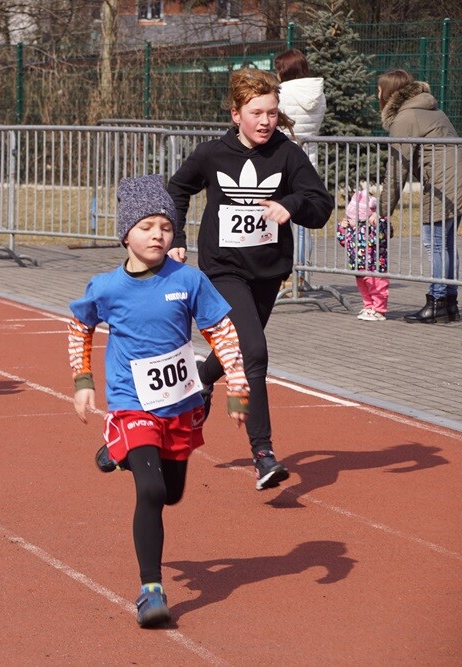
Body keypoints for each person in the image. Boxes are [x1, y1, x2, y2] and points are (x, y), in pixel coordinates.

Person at [68, 174, 250, 628]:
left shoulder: (188, 279)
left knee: (171, 493)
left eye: (166, 227)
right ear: (125, 234)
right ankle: (150, 589)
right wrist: (83, 379)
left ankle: (118, 452)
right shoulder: (106, 287)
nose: (158, 235)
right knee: (149, 491)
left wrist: (237, 386)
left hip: (180, 402)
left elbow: (222, 332)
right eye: (147, 227)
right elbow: (80, 326)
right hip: (131, 401)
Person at [167, 68, 334, 491]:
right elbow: (177, 190)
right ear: (235, 114)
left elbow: (320, 205)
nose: (265, 122)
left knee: (239, 346)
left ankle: (201, 379)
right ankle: (263, 454)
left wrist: (291, 204)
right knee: (254, 352)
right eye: (256, 113)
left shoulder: (287, 155)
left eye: (272, 113)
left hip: (268, 271)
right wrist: (176, 239)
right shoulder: (211, 154)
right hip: (224, 269)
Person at [375, 68, 460, 323]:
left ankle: (437, 301)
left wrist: (382, 212)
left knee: (435, 243)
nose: (377, 95)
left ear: (388, 92)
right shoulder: (431, 108)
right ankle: (449, 302)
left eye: (379, 90)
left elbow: (396, 170)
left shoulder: (406, 117)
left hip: (442, 184)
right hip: (454, 181)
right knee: (446, 243)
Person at [275, 49, 326, 291]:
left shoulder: (281, 93)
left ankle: (285, 274)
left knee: (282, 216)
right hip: (309, 158)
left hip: (283, 158)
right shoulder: (318, 93)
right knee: (302, 222)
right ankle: (301, 274)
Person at [337, 189, 390, 321]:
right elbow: (344, 241)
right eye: (349, 217)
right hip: (358, 265)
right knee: (364, 289)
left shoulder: (373, 226)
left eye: (352, 218)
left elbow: (380, 238)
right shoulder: (353, 230)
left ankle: (379, 310)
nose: (349, 220)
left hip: (374, 266)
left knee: (378, 288)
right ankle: (369, 307)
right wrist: (342, 228)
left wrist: (378, 222)